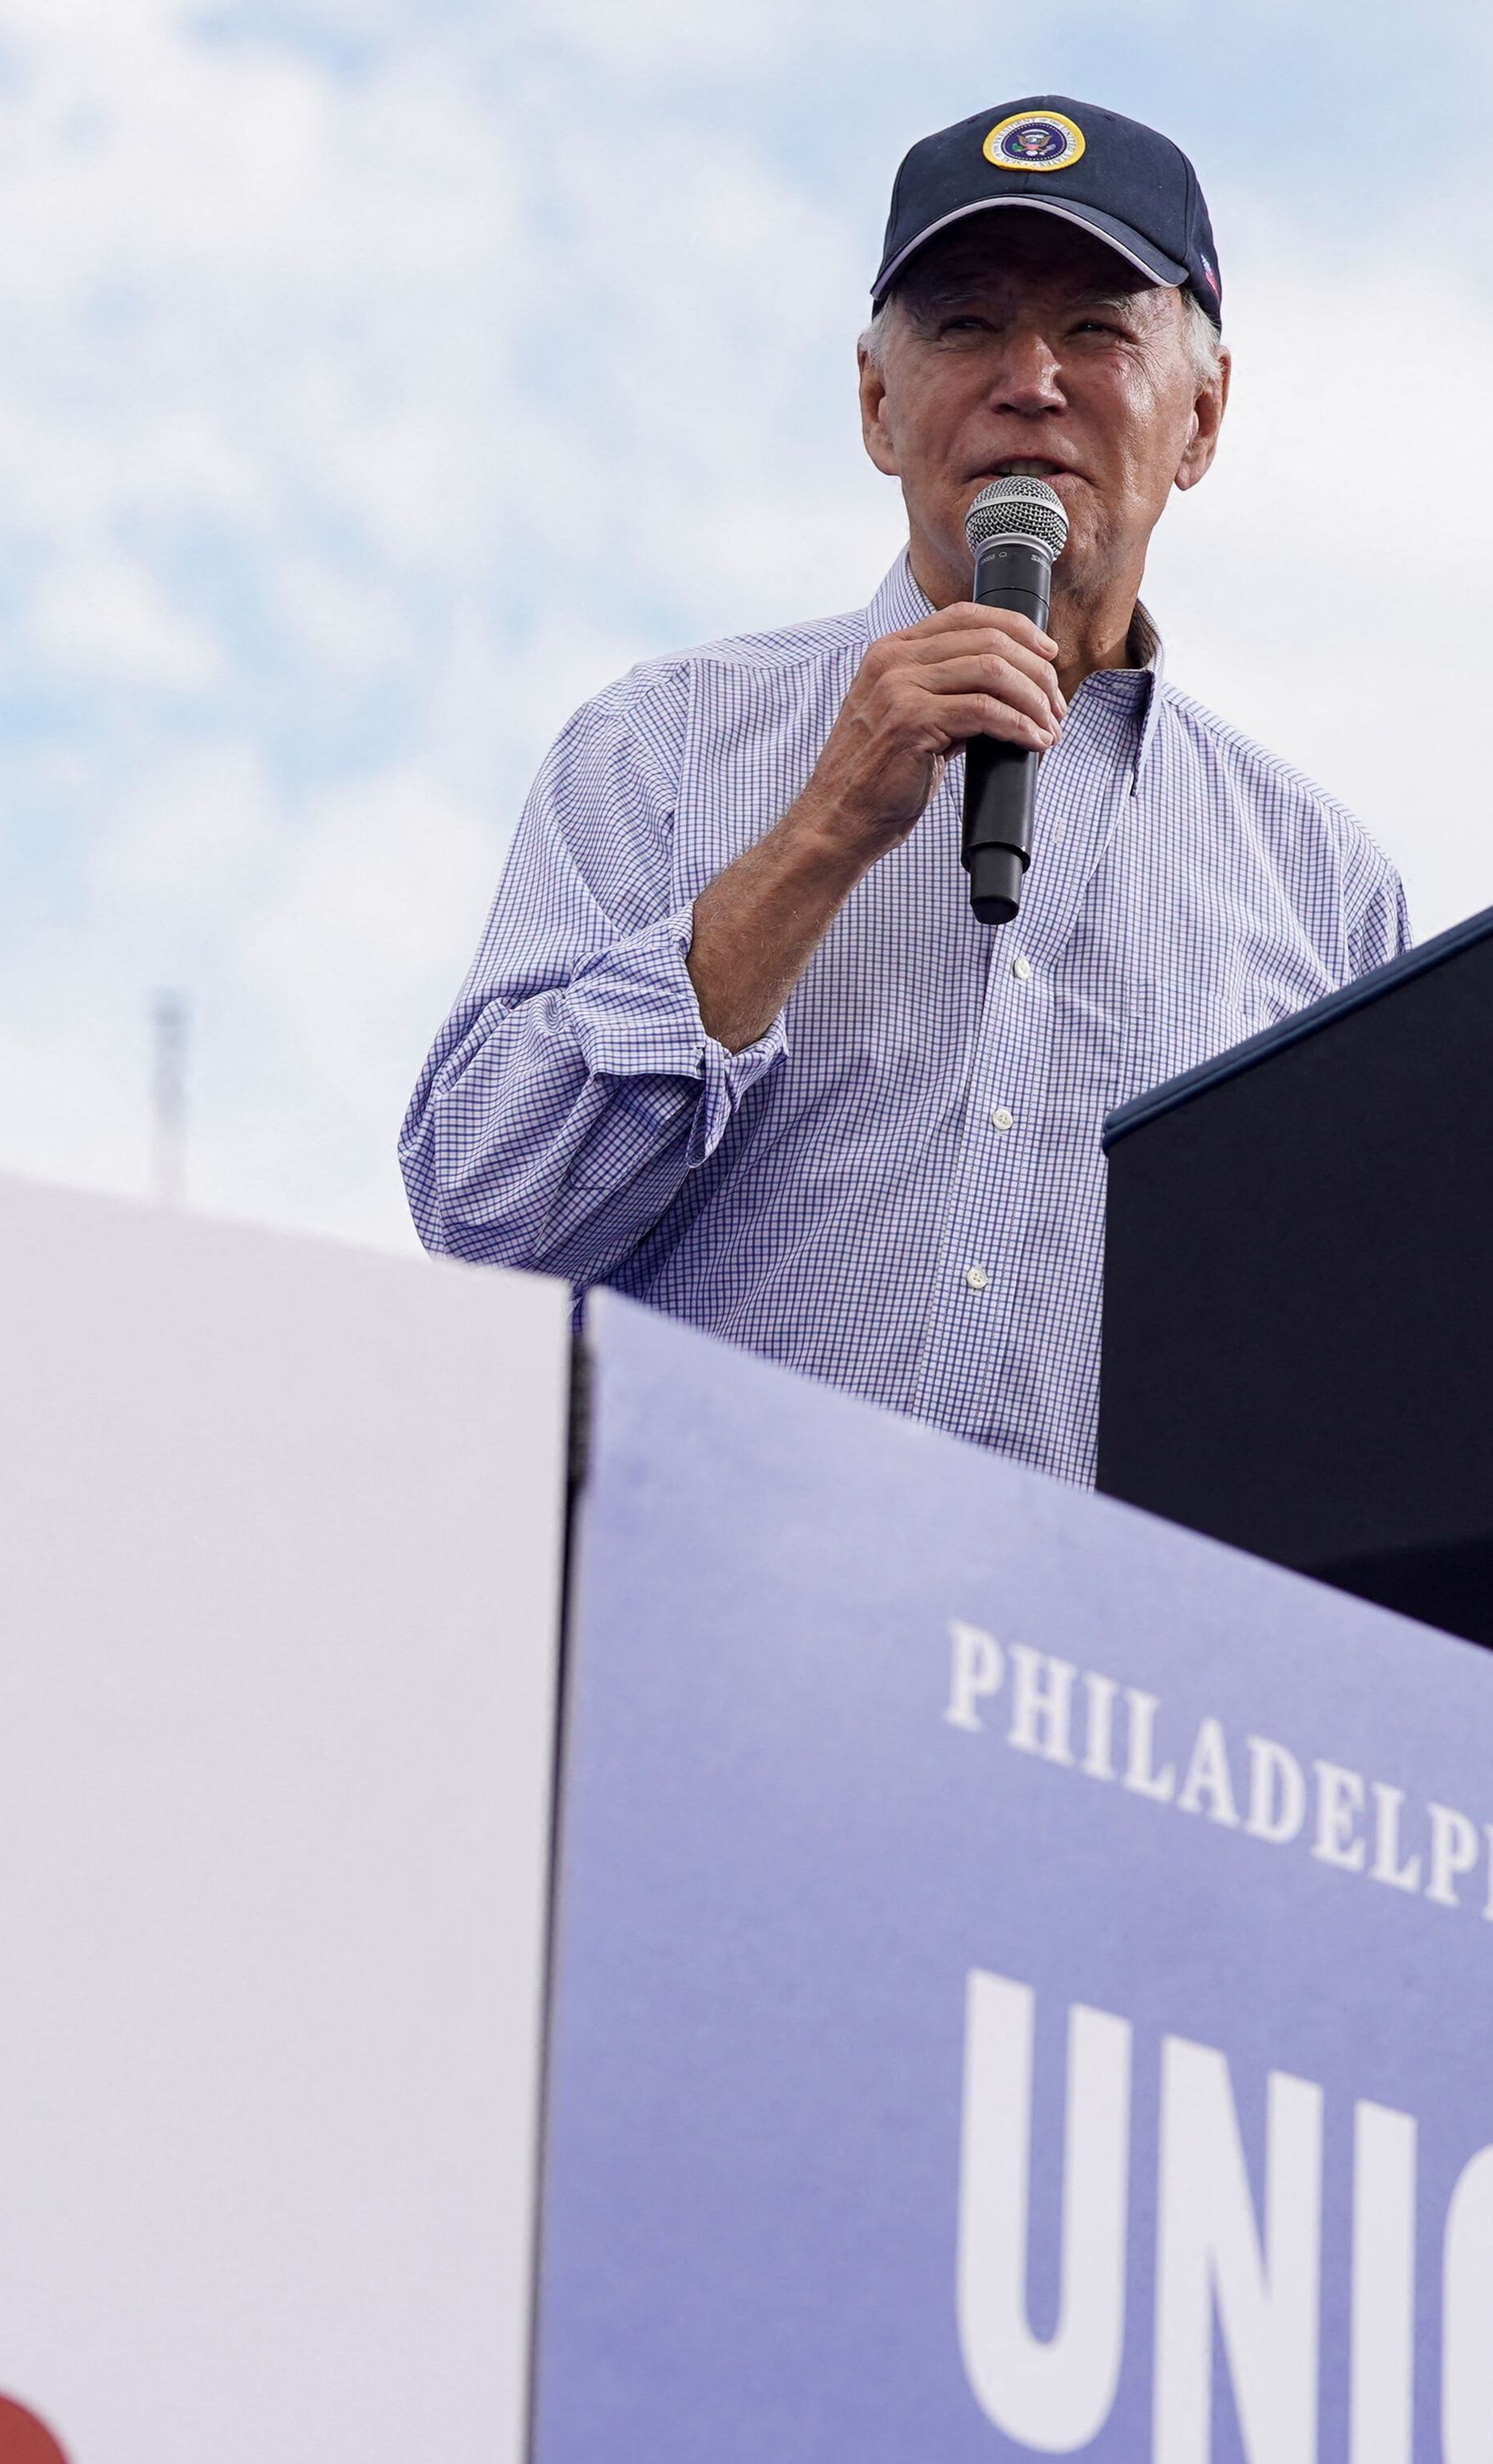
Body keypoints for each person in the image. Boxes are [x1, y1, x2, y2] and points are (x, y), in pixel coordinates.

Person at [398, 98, 1404, 1482]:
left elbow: (1357, 1382)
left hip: (1098, 1682)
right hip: (706, 1651)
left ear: (1204, 418)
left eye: (1101, 326)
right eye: (967, 324)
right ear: (879, 404)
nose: (1031, 378)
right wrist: (822, 835)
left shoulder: (1326, 889)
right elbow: (484, 1216)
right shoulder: (663, 743)